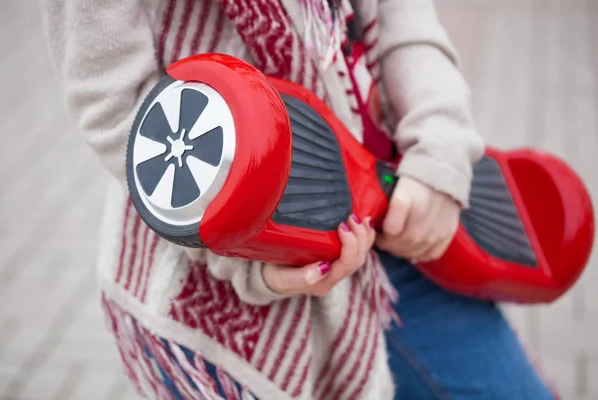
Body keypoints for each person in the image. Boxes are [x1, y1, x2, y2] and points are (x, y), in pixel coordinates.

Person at [39, 0, 558, 398]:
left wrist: (441, 151)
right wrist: (250, 260)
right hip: (227, 290)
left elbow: (404, 16)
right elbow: (120, 114)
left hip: (398, 202)